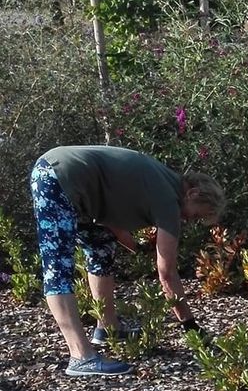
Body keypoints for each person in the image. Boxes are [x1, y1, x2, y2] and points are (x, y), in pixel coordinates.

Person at [30, 145, 225, 377]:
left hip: (67, 176)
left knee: (101, 250)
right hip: (58, 177)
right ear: (192, 194)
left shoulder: (163, 181)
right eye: (196, 215)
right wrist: (190, 326)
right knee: (58, 267)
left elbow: (113, 221)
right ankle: (81, 356)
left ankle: (108, 328)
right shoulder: (169, 200)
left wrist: (138, 248)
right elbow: (167, 273)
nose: (190, 220)